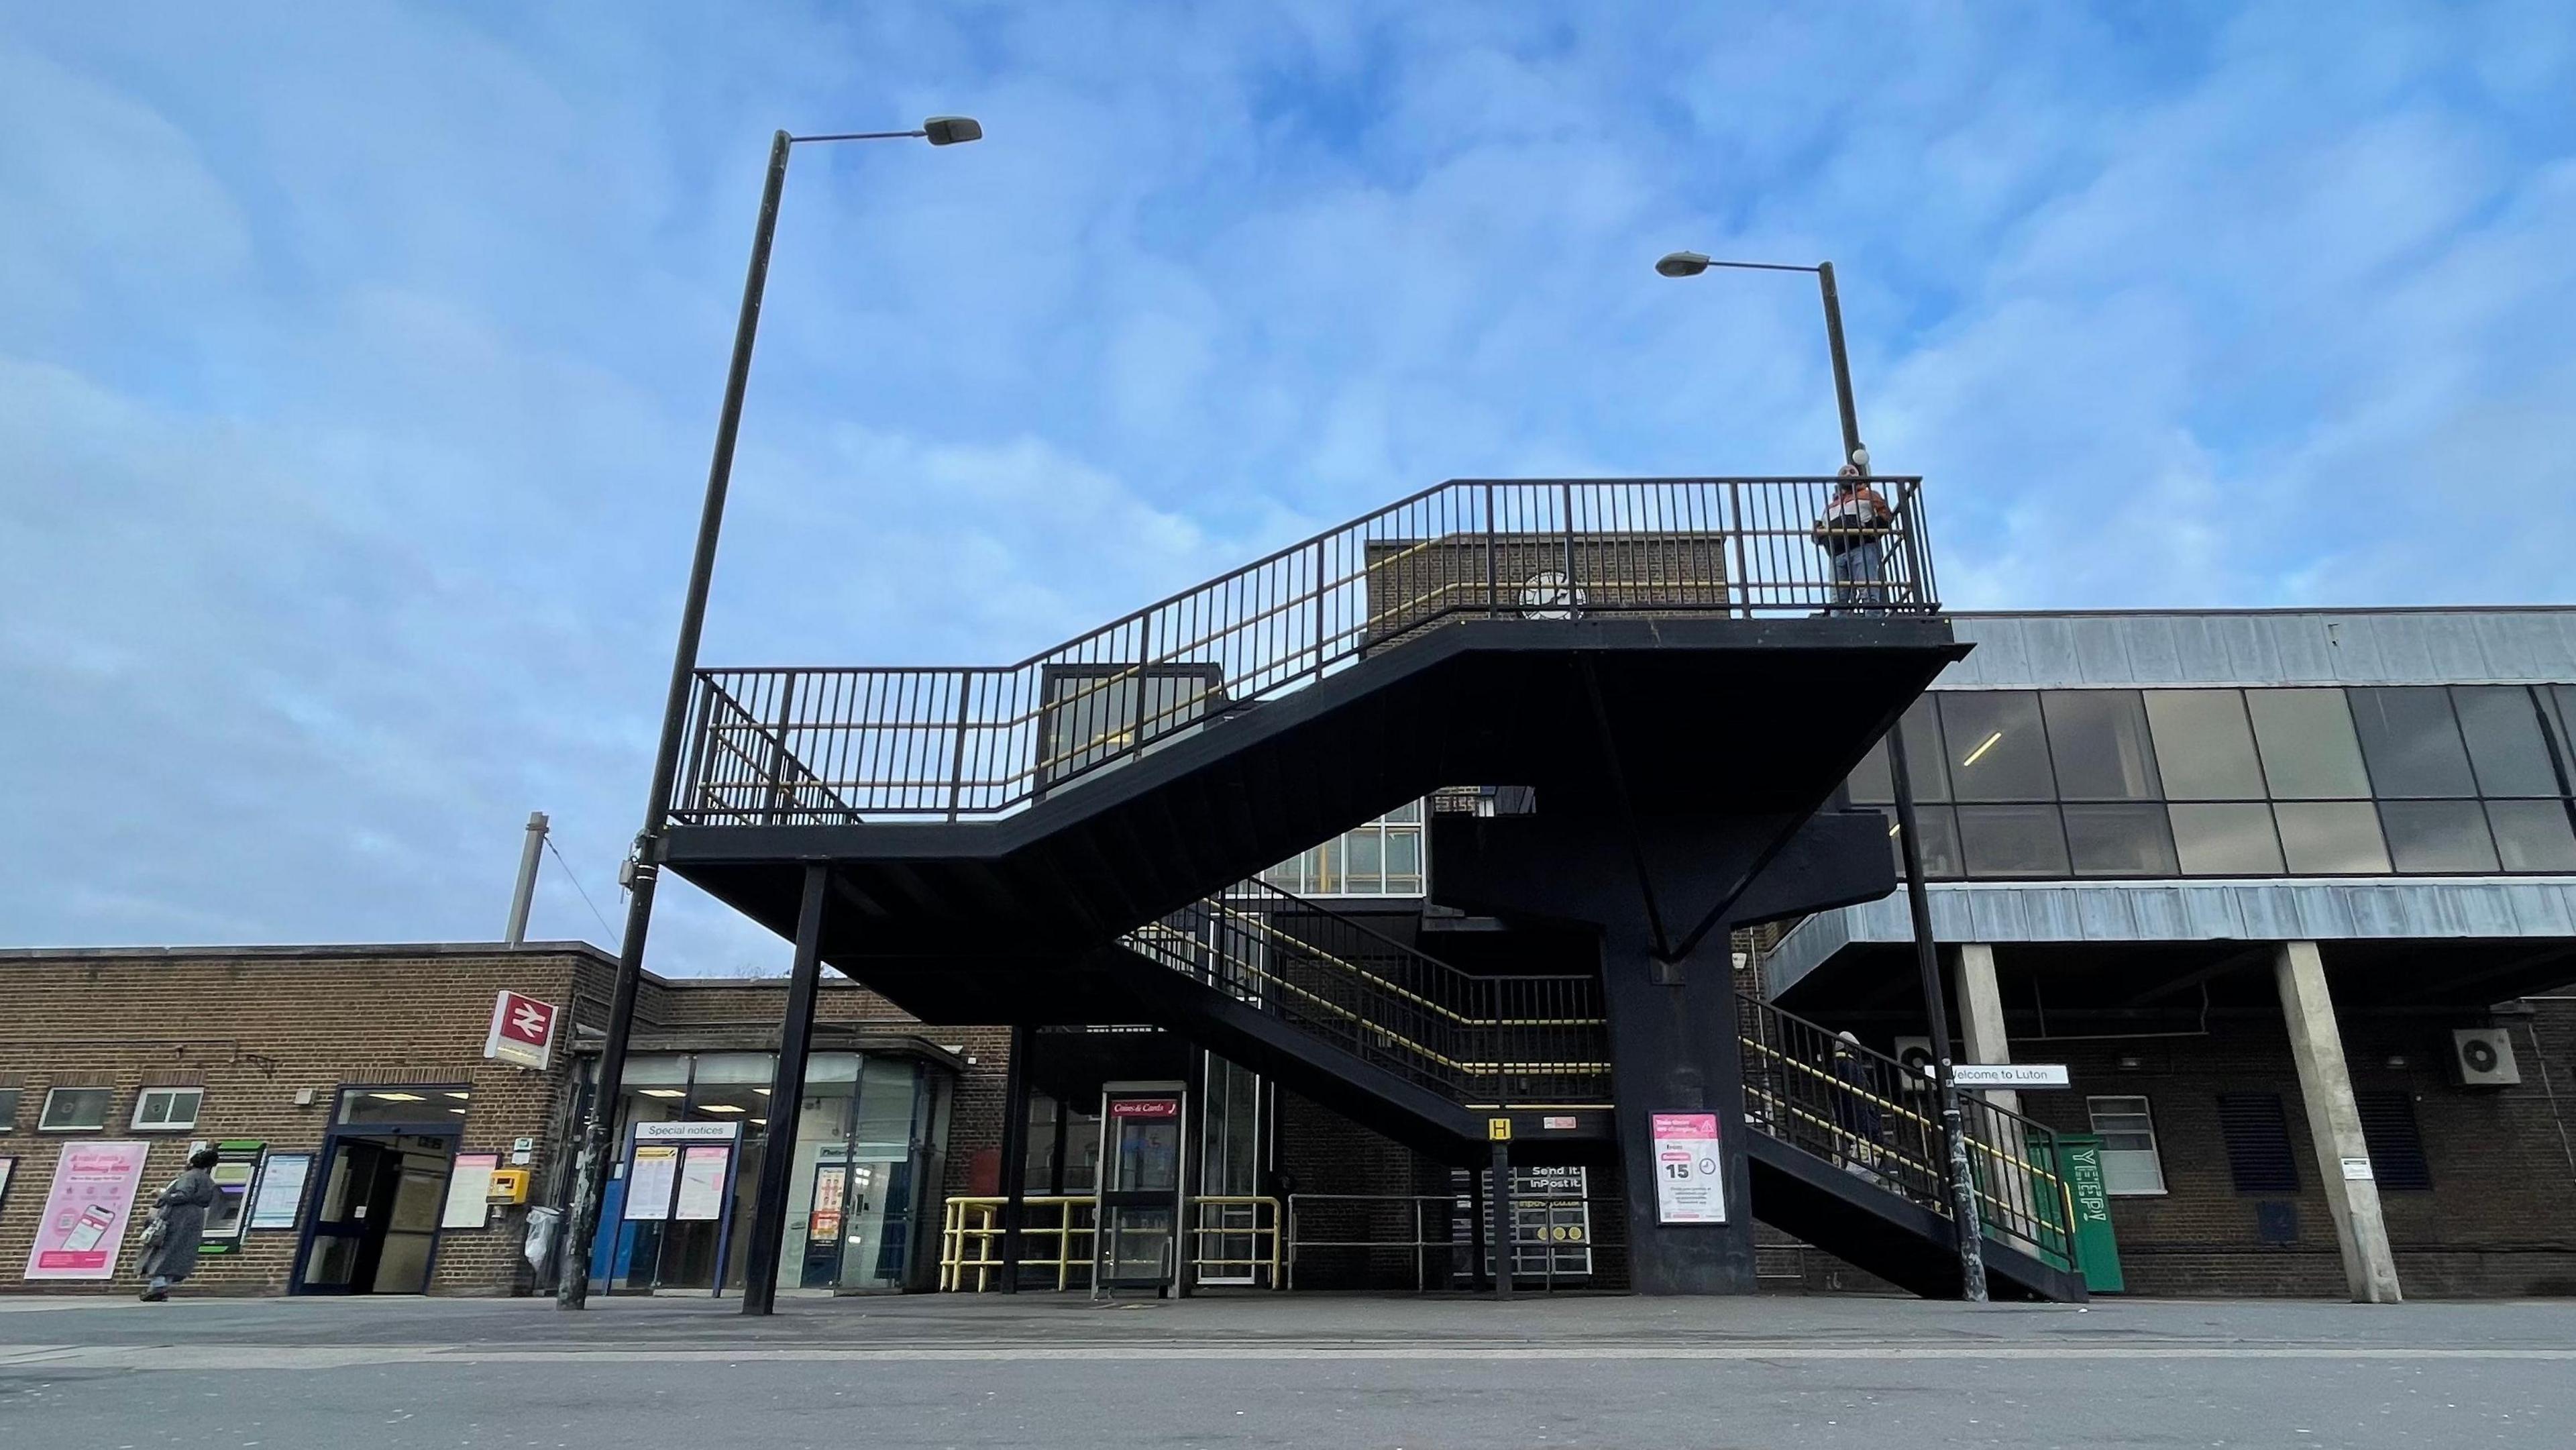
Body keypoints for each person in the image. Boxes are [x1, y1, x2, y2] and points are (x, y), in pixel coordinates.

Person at [138, 1146, 219, 1302]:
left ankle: (157, 1286)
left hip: (178, 1216)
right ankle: (162, 1286)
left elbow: (181, 1195)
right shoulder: (208, 1179)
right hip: (196, 1217)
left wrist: (162, 1194)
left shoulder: (189, 1176)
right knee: (181, 1250)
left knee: (165, 1247)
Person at [1813, 465, 1893, 611]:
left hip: (1862, 547)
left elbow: (1886, 516)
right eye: (1844, 472)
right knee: (1838, 599)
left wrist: (1867, 529)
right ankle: (1840, 628)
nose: (1848, 474)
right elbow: (1821, 530)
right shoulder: (1830, 507)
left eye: (1852, 472)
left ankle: (1874, 625)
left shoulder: (1870, 495)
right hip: (1836, 553)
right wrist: (1819, 534)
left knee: (1868, 592)